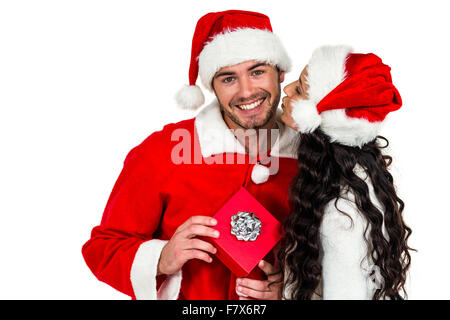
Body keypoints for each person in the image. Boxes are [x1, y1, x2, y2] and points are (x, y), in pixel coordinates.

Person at [82, 10, 299, 300]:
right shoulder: (164, 149)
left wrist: (292, 291)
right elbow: (103, 248)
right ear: (212, 86)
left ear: (280, 72)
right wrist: (161, 258)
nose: (247, 92)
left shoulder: (316, 155)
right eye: (228, 78)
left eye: (257, 72)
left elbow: (351, 261)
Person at [276, 45, 413, 299]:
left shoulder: (342, 214)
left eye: (301, 90)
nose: (287, 89)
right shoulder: (352, 177)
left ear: (319, 117)